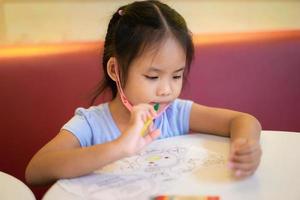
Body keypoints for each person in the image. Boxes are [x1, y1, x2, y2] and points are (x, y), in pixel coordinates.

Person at [25, 0, 262, 186]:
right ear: (115, 69)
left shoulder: (175, 114)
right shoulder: (90, 124)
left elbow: (242, 120)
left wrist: (245, 145)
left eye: (177, 75)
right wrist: (118, 148)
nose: (167, 90)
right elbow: (36, 170)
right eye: (152, 76)